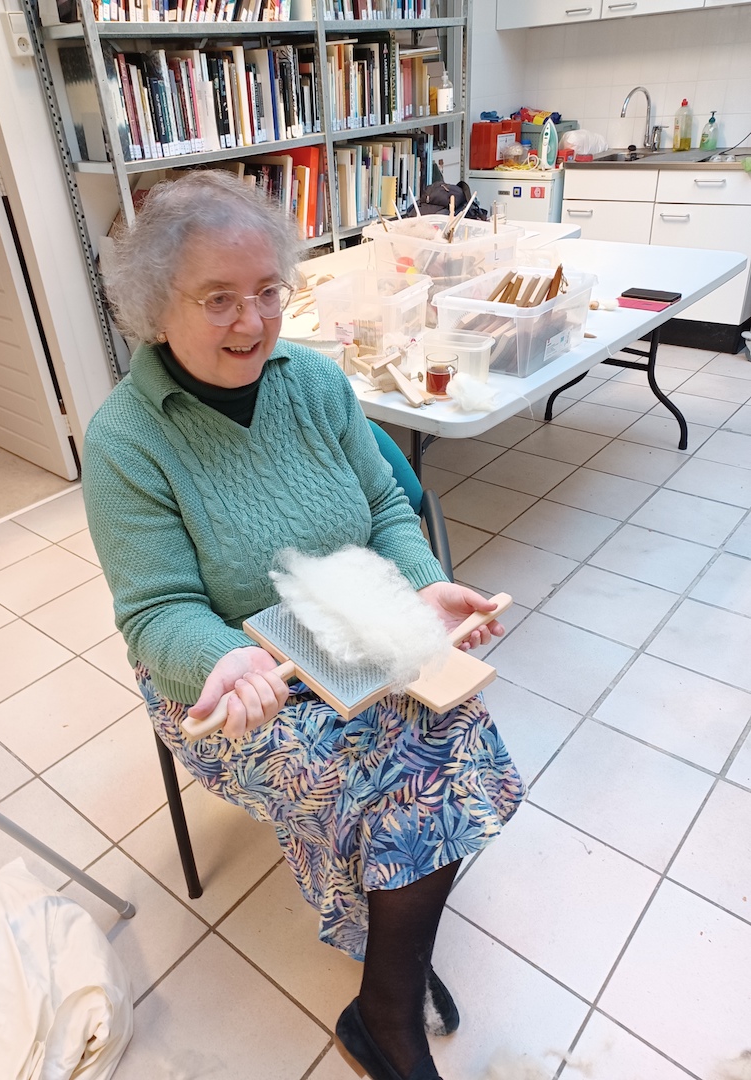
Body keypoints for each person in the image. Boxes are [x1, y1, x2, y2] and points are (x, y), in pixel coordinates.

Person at [82, 170, 525, 1080]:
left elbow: (387, 507)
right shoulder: (127, 440)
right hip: (227, 678)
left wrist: (422, 589)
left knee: (457, 728)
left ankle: (385, 986)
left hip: (349, 626)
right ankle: (390, 1004)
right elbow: (157, 612)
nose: (251, 321)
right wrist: (224, 660)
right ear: (154, 308)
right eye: (217, 298)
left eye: (267, 291)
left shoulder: (316, 381)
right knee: (362, 774)